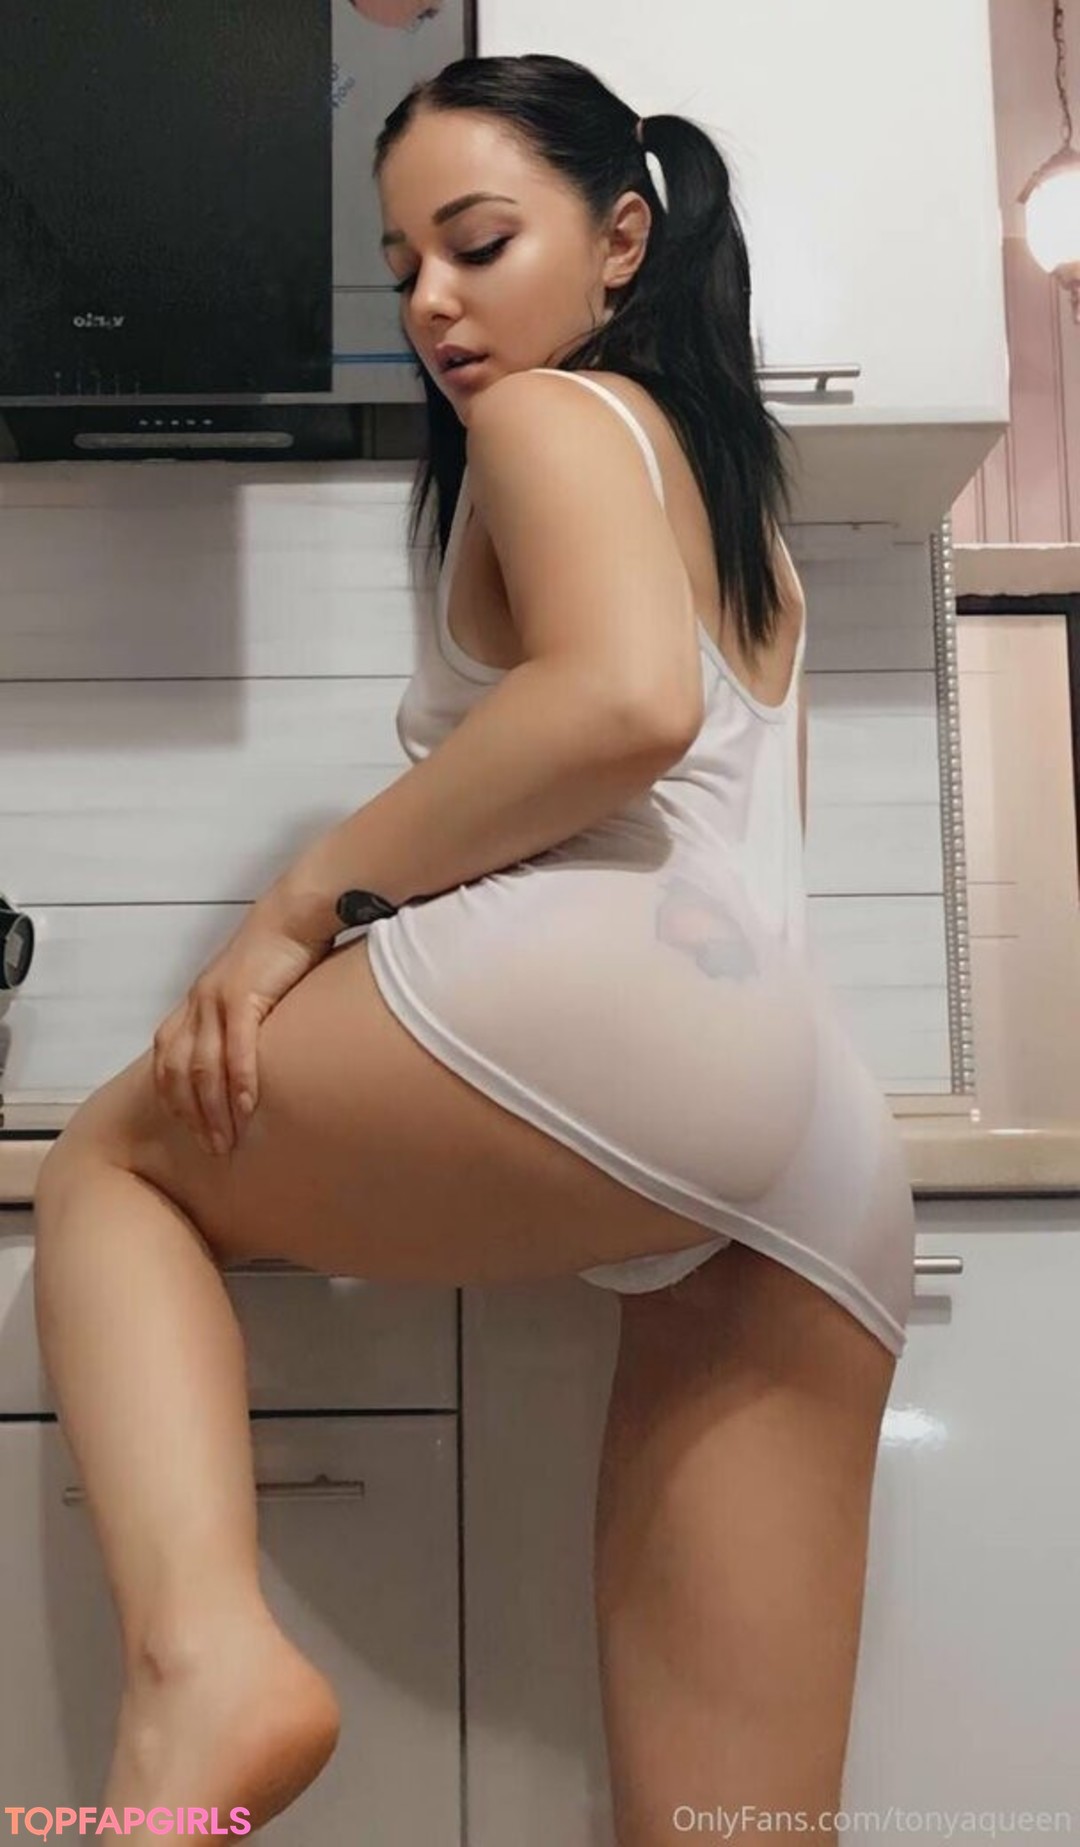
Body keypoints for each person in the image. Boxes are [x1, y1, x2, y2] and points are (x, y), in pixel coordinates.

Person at [32, 51, 917, 1844]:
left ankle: (210, 1670)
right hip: (812, 1117)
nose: (434, 302)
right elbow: (733, 802)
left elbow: (623, 705)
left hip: (641, 1009)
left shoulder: (548, 422)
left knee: (110, 1166)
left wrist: (298, 906)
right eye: (401, 267)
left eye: (478, 243)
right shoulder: (736, 507)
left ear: (622, 240)